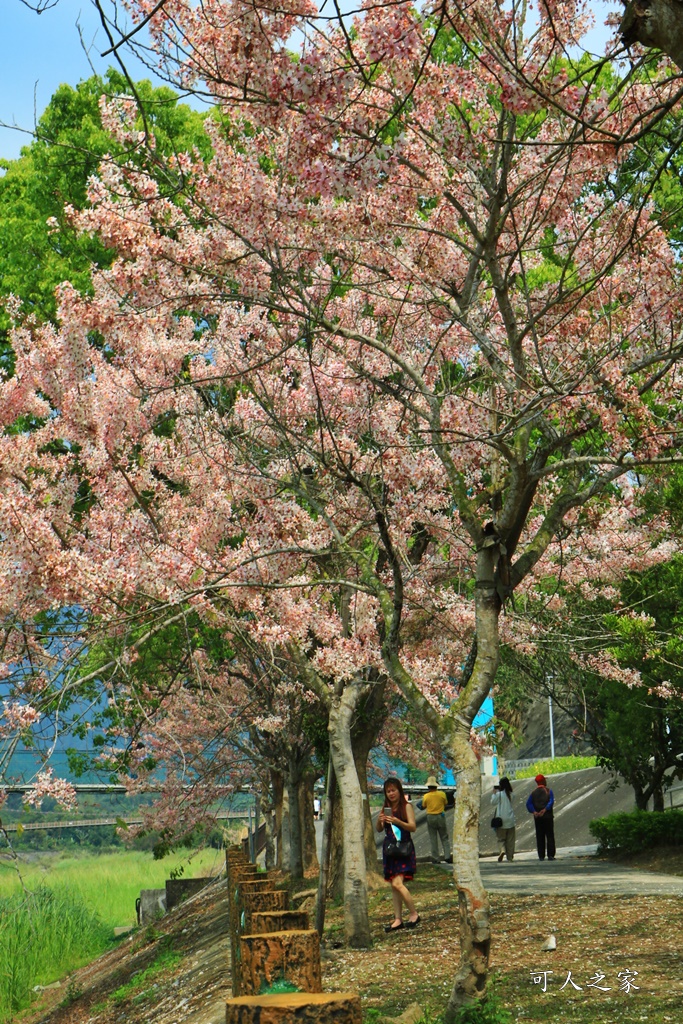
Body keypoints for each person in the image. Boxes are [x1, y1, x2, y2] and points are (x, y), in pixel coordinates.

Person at [376, 776, 420, 931]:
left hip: (403, 849)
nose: (391, 793)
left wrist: (397, 822)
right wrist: (381, 820)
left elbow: (412, 827)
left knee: (397, 883)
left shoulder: (406, 807)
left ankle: (414, 914)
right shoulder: (385, 808)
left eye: (393, 790)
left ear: (399, 791)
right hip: (390, 850)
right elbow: (380, 830)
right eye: (388, 791)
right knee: (394, 886)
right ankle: (397, 919)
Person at [418, 775, 452, 864]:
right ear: (436, 785)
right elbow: (446, 803)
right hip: (441, 816)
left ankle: (436, 858)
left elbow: (423, 806)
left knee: (433, 838)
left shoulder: (426, 796)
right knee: (444, 837)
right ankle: (447, 856)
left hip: (430, 817)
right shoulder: (442, 794)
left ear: (428, 787)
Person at [526, 773, 556, 861]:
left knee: (540, 836)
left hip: (538, 818)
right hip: (547, 817)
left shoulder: (533, 793)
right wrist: (545, 809)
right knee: (550, 835)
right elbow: (551, 801)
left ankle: (541, 855)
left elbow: (528, 804)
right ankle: (550, 855)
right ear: (543, 781)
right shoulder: (548, 791)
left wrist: (534, 811)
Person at [491, 776, 516, 862]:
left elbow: (492, 802)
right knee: (510, 840)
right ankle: (510, 857)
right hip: (510, 820)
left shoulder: (499, 795)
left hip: (501, 820)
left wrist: (494, 793)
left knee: (501, 838)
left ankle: (502, 850)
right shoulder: (511, 794)